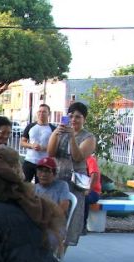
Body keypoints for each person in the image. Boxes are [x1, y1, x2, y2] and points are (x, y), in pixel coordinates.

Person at [47, 101, 96, 248]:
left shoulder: (89, 137)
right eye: (71, 116)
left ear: (84, 119)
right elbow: (50, 153)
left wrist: (72, 137)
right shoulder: (59, 131)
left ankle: (62, 252)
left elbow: (78, 157)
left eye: (78, 117)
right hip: (57, 177)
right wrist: (56, 133)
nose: (74, 119)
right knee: (53, 214)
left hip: (74, 183)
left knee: (70, 218)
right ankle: (50, 248)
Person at [20, 104, 56, 182]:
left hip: (44, 163)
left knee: (41, 187)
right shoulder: (30, 126)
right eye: (39, 111)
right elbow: (22, 142)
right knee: (23, 184)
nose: (41, 113)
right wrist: (31, 145)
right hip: (29, 160)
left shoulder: (53, 129)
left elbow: (56, 147)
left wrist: (43, 148)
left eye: (44, 112)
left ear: (49, 114)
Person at [84, 154, 101, 230]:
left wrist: (89, 190)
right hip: (83, 189)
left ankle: (82, 225)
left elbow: (94, 174)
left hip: (94, 191)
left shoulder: (90, 159)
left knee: (84, 199)